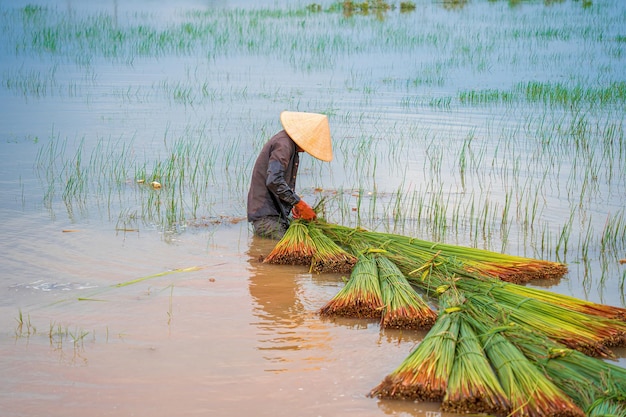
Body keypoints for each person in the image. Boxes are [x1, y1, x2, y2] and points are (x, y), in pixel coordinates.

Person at [247, 111, 333, 239]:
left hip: (276, 214)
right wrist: (300, 204)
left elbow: (279, 183)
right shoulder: (284, 145)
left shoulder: (290, 145)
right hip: (267, 216)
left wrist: (291, 204)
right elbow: (274, 180)